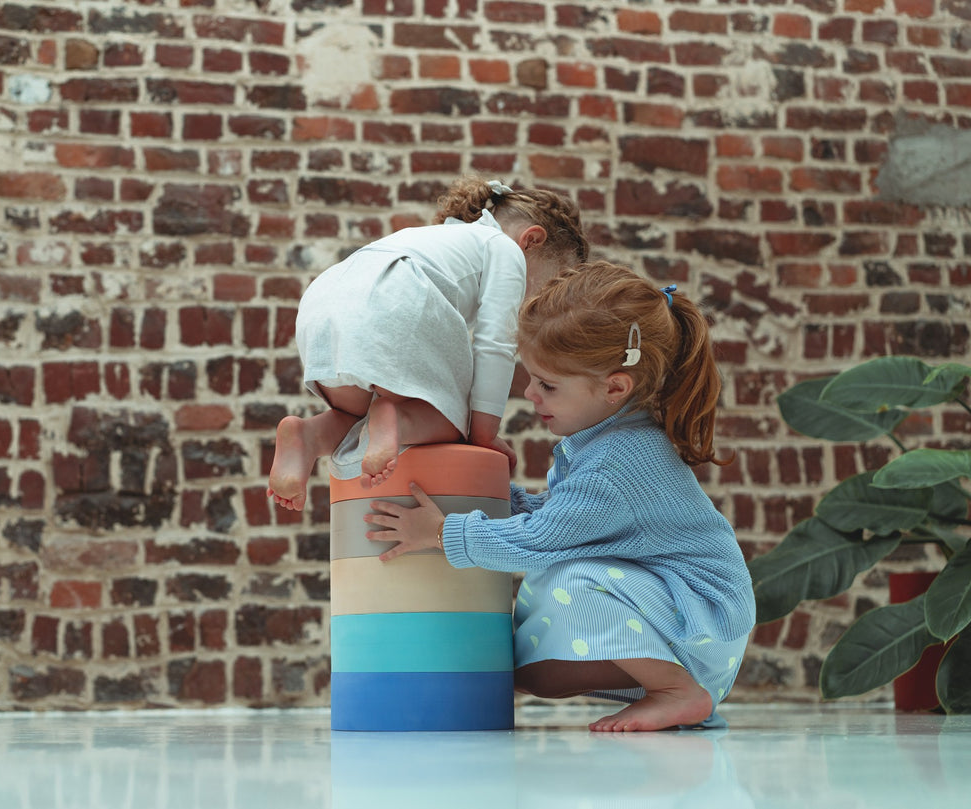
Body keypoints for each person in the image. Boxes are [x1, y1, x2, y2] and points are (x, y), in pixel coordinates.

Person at [363, 261, 756, 732]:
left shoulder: (618, 461)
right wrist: (486, 497)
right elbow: (565, 521)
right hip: (673, 607)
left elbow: (542, 540)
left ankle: (676, 691)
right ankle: (492, 682)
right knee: (535, 671)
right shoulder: (602, 440)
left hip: (702, 615)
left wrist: (444, 532)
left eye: (547, 385)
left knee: (568, 581)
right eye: (530, 378)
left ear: (614, 387)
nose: (530, 394)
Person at [267, 176, 588, 511]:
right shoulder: (504, 248)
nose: (541, 301)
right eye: (549, 285)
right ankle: (397, 418)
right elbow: (495, 344)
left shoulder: (438, 238)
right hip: (393, 298)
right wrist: (482, 433)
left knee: (356, 412)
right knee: (447, 419)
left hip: (323, 303)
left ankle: (309, 435)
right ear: (531, 241)